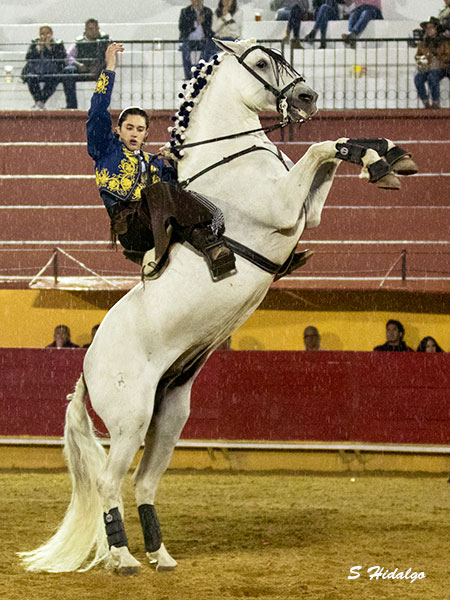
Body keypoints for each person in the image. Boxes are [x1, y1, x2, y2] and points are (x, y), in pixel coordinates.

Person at [87, 43, 235, 279]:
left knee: (183, 190)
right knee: (163, 191)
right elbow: (97, 112)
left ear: (146, 134)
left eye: (140, 129)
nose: (134, 133)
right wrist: (109, 68)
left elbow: (183, 187)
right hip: (133, 229)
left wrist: (176, 161)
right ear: (118, 131)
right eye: (129, 128)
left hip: (160, 221)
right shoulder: (105, 149)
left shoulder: (155, 162)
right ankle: (211, 247)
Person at [21, 25, 73, 110]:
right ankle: (39, 101)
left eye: (47, 33)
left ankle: (40, 102)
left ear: (51, 34)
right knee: (30, 78)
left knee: (53, 79)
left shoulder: (58, 43)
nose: (45, 36)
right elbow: (28, 57)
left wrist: (49, 48)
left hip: (53, 70)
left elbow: (61, 57)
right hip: (36, 70)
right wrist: (38, 49)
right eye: (42, 34)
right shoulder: (35, 43)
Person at [64, 18, 110, 109]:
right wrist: (78, 65)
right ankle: (71, 105)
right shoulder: (79, 42)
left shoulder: (105, 41)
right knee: (68, 72)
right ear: (86, 30)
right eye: (91, 29)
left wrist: (99, 65)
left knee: (104, 72)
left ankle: (100, 105)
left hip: (99, 68)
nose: (94, 32)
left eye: (96, 29)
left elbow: (112, 56)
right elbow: (68, 56)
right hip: (82, 68)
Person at [414, 18, 450, 109]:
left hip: (441, 67)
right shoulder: (423, 43)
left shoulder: (443, 41)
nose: (429, 30)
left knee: (433, 75)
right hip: (427, 67)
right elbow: (418, 57)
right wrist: (424, 63)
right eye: (427, 28)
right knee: (418, 78)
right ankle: (425, 101)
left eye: (431, 27)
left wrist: (438, 58)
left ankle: (435, 101)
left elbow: (447, 55)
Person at [179, 0, 215, 80]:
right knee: (185, 47)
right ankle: (188, 75)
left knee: (209, 46)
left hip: (203, 40)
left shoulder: (207, 12)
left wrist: (206, 34)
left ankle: (199, 70)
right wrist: (196, 23)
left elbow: (211, 28)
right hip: (189, 40)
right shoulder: (185, 11)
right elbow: (182, 28)